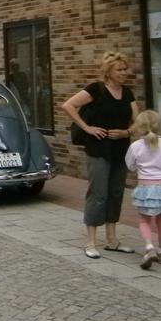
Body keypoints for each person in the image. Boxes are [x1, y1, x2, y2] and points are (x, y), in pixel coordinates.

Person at [61, 52, 138, 259]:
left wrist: (126, 132)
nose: (124, 73)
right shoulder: (96, 89)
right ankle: (91, 242)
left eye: (125, 69)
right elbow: (68, 105)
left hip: (120, 149)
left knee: (115, 193)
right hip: (98, 149)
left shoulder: (128, 93)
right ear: (109, 71)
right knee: (98, 193)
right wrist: (87, 128)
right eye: (120, 70)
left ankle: (112, 240)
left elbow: (138, 121)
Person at [125, 110, 161, 270]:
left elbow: (130, 165)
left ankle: (149, 247)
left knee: (144, 220)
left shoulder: (136, 146)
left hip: (146, 187)